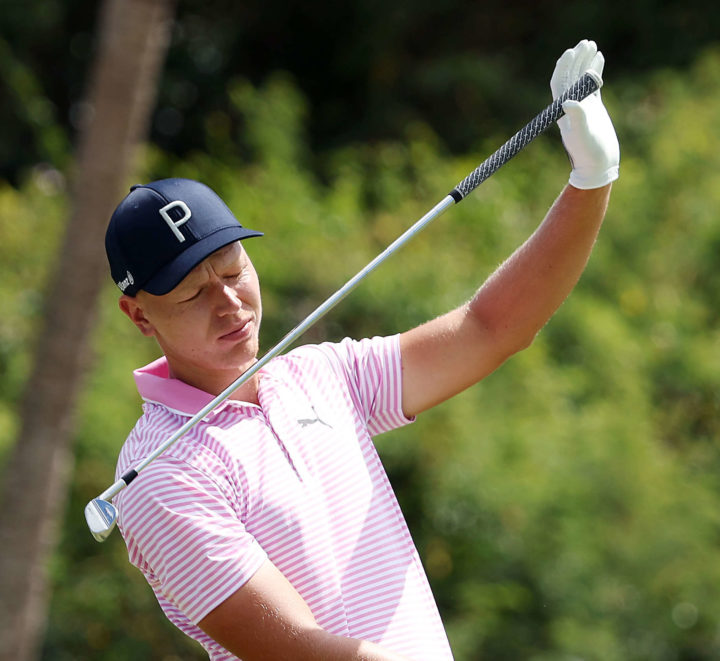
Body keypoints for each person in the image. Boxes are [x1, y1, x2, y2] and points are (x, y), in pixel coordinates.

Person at [105, 40, 619, 661]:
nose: (230, 304)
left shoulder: (319, 375)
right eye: (192, 293)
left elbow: (489, 329)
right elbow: (298, 650)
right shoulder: (161, 475)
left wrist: (591, 180)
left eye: (234, 270)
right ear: (138, 314)